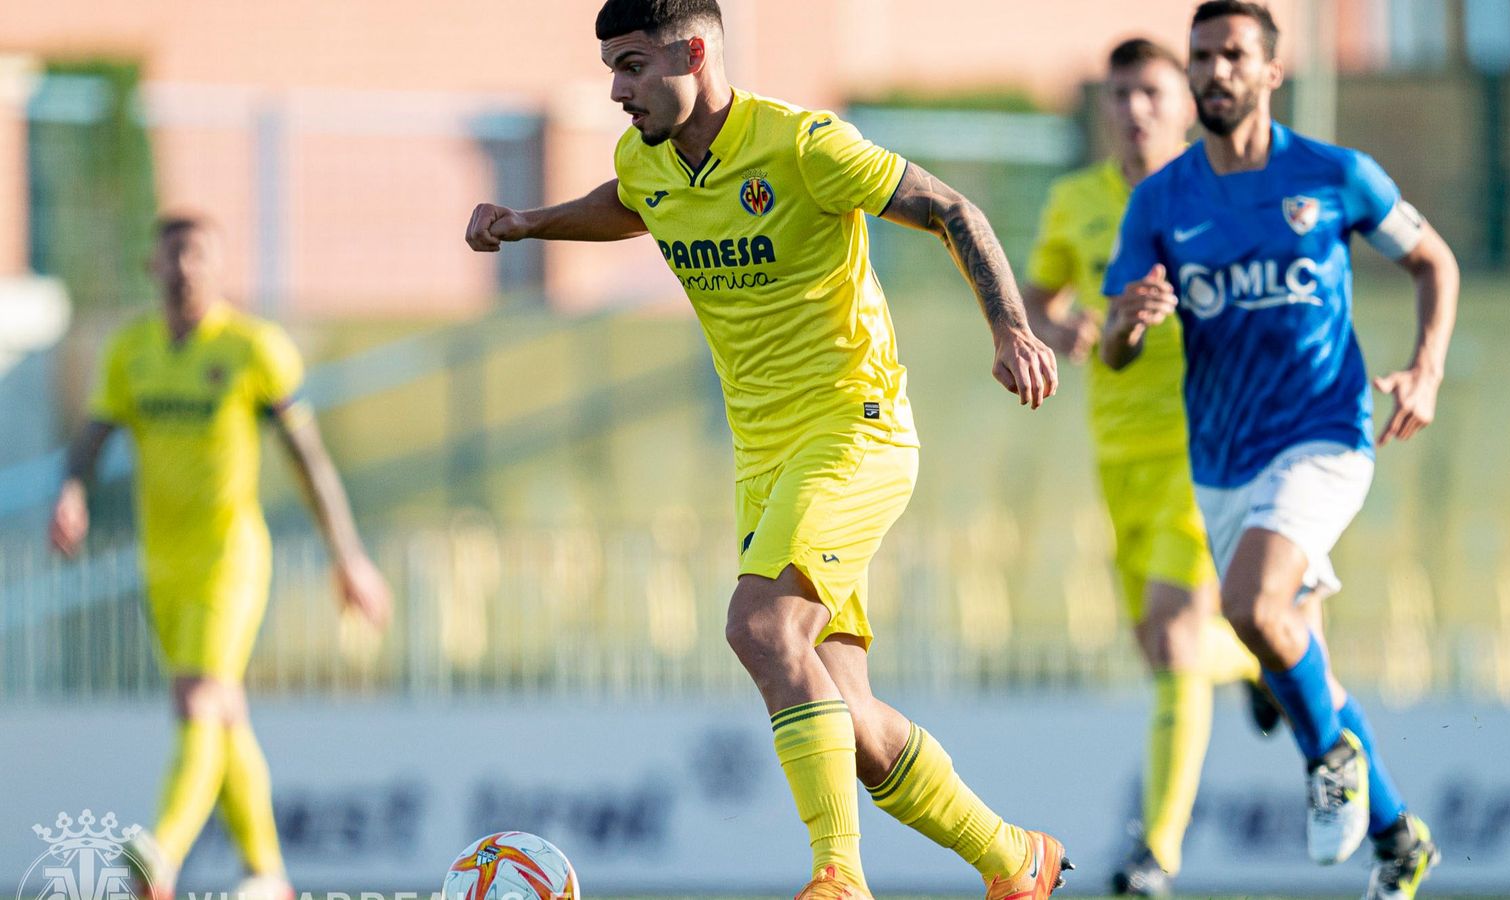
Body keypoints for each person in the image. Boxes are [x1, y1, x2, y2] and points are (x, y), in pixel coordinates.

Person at [465, 1, 1070, 897]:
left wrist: (1011, 330)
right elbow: (631, 205)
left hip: (853, 428)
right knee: (851, 718)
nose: (618, 91)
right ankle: (1014, 859)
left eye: (632, 66)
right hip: (765, 459)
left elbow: (950, 208)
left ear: (695, 50)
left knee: (759, 627)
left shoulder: (802, 145)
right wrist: (527, 222)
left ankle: (838, 877)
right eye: (610, 71)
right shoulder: (646, 160)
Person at [1101, 3, 1458, 898]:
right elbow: (1112, 344)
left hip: (1324, 435)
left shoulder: (1334, 176)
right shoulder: (1161, 201)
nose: (1214, 71)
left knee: (1252, 607)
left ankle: (1330, 758)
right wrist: (1131, 326)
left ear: (1272, 71)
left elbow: (1434, 263)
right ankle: (1396, 835)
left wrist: (1425, 368)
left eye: (1233, 56)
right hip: (1220, 460)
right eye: (1202, 57)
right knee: (1290, 643)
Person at [49, 214, 393, 900]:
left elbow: (309, 459)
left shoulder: (252, 349)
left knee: (198, 697)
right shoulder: (130, 352)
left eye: (197, 258)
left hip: (230, 557)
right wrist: (72, 492)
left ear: (217, 267)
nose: (183, 271)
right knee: (222, 711)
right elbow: (93, 437)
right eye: (172, 258)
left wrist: (347, 555)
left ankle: (162, 854)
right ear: (154, 265)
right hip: (164, 563)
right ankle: (268, 875)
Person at [1020, 36, 1274, 897]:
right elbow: (1037, 293)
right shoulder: (1075, 201)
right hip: (1117, 452)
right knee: (1166, 647)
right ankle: (1262, 661)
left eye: (1152, 93)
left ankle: (1154, 854)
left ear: (1184, 101)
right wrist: (1056, 328)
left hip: (1206, 451)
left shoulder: (1218, 195)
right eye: (1120, 94)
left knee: (1170, 640)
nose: (1135, 110)